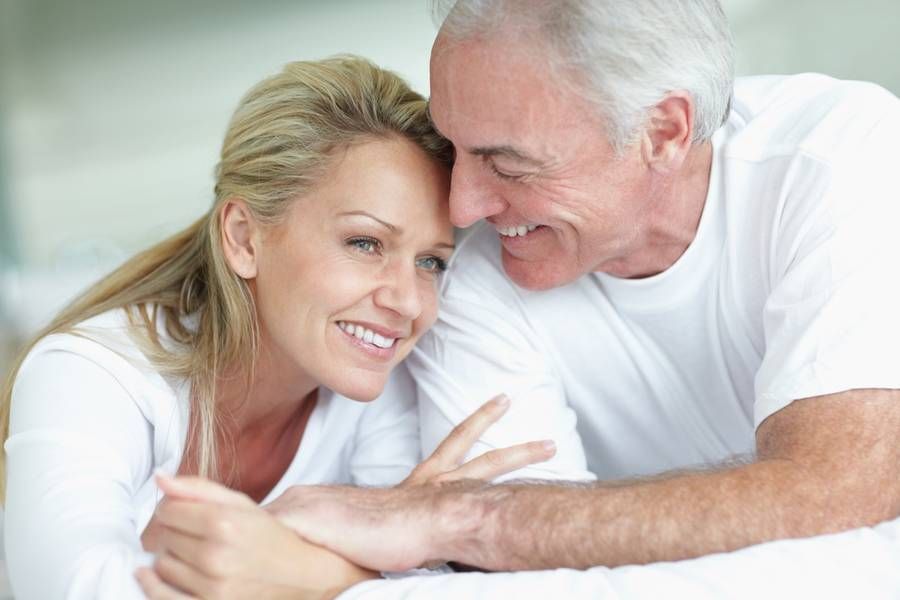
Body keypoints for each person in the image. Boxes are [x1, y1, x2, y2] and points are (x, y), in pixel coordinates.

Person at [254, 1, 900, 598]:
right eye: (455, 150)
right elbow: (540, 584)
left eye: (507, 163)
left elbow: (838, 488)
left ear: (663, 132)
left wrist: (458, 517)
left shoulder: (837, 160)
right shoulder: (471, 276)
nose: (461, 206)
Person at [0, 55, 555, 600]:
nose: (408, 301)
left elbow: (431, 587)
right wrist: (348, 558)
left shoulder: (368, 385)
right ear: (243, 238)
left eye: (430, 261)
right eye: (364, 243)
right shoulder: (88, 373)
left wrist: (333, 566)